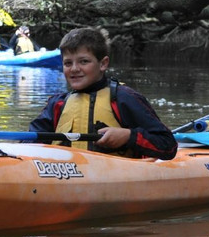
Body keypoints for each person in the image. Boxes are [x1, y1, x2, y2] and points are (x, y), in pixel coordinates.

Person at [29, 27, 177, 159]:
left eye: (84, 61)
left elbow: (168, 145)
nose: (74, 69)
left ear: (103, 64)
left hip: (115, 179)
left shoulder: (123, 98)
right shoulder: (57, 104)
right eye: (68, 63)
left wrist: (128, 136)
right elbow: (29, 143)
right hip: (64, 176)